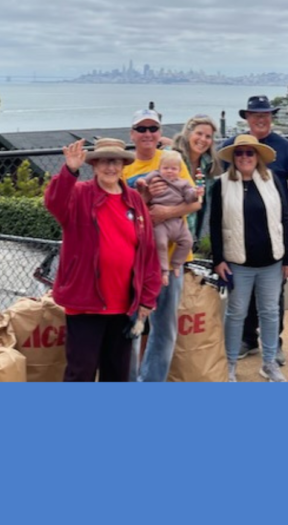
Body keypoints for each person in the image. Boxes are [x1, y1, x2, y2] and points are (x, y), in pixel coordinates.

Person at [45, 138, 162, 382]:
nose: (111, 167)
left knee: (117, 374)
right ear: (95, 165)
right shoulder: (79, 193)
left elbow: (148, 252)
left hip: (124, 305)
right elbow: (54, 203)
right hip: (85, 302)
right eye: (105, 161)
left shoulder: (134, 200)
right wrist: (69, 171)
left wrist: (147, 298)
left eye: (116, 161)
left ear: (123, 165)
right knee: (81, 372)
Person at [220, 96, 288, 365]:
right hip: (239, 231)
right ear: (246, 117)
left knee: (273, 294)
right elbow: (219, 182)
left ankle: (274, 343)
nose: (261, 119)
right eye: (255, 114)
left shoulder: (284, 147)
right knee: (241, 293)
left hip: (277, 229)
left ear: (272, 116)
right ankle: (247, 339)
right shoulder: (232, 146)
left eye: (266, 114)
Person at [122, 106, 202, 382]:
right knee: (132, 324)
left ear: (160, 133)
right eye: (141, 129)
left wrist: (164, 213)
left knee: (164, 326)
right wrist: (143, 199)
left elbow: (196, 201)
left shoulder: (171, 159)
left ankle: (152, 381)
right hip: (134, 258)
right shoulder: (123, 166)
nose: (147, 134)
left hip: (171, 258)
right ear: (132, 134)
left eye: (152, 128)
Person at [209, 135, 288, 382]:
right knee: (236, 314)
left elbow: (284, 219)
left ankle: (269, 362)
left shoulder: (273, 182)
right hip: (238, 263)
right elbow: (215, 225)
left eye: (249, 153)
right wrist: (219, 259)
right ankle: (230, 365)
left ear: (257, 157)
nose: (244, 157)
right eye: (239, 153)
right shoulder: (221, 185)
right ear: (233, 158)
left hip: (271, 261)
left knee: (269, 312)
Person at [137, 151, 203, 285]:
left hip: (177, 221)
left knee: (187, 241)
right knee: (160, 243)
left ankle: (177, 264)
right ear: (159, 168)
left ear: (179, 170)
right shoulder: (155, 176)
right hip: (160, 223)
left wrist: (196, 193)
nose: (169, 171)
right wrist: (141, 182)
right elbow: (143, 182)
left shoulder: (183, 183)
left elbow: (190, 199)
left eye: (173, 169)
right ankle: (164, 271)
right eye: (166, 168)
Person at [170, 114, 224, 251]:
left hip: (189, 238)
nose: (203, 140)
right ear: (188, 133)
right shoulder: (171, 158)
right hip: (167, 235)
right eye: (199, 134)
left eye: (208, 136)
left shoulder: (208, 165)